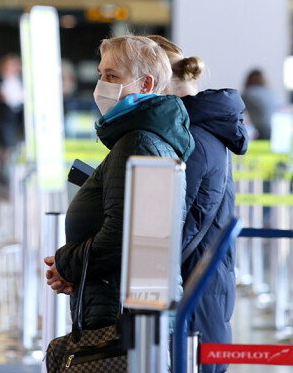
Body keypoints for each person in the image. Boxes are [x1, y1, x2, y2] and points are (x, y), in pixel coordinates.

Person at [44, 36, 195, 332]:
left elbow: (121, 237)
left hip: (119, 313)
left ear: (146, 85)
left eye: (113, 76)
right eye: (101, 75)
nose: (103, 86)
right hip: (120, 304)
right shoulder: (148, 138)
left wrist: (65, 264)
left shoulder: (137, 141)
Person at [151, 35, 248, 373]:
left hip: (193, 288)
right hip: (204, 281)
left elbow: (175, 228)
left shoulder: (191, 137)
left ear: (154, 80)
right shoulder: (202, 128)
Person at [0, 54, 24, 184]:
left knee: (10, 145)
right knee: (5, 145)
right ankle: (1, 172)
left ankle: (6, 171)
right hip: (4, 118)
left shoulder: (18, 81)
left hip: (15, 118)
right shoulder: (1, 82)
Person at [241, 69, 282, 139]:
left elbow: (237, 110)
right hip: (278, 127)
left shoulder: (248, 93)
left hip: (262, 129)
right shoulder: (271, 93)